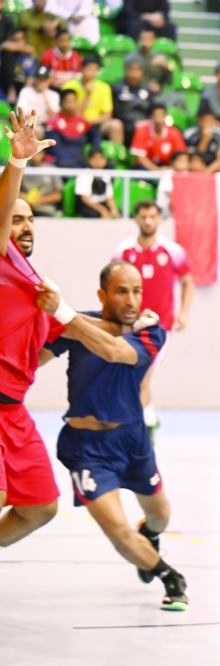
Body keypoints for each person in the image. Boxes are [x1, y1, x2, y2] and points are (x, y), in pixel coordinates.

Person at [37, 261, 187, 610]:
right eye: (122, 291)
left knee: (161, 515)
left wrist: (63, 314)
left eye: (137, 290)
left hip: (132, 441)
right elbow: (33, 358)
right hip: (85, 449)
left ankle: (150, 534)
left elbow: (114, 350)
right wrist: (52, 323)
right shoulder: (74, 325)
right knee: (117, 529)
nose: (132, 299)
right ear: (102, 294)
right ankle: (171, 577)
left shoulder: (150, 331)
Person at [0, 112, 60, 551]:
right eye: (14, 219)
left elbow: (57, 335)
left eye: (29, 219)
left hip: (14, 409)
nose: (23, 226)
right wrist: (17, 165)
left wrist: (126, 323)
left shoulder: (30, 277)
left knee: (40, 506)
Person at [112, 201, 194, 434]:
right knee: (131, 380)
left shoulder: (172, 251)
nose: (148, 221)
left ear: (159, 219)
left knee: (142, 379)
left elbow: (188, 281)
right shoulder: (123, 252)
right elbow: (111, 286)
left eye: (152, 216)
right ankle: (149, 421)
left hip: (160, 328)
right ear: (136, 219)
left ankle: (144, 431)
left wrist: (184, 313)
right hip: (128, 327)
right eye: (143, 216)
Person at [62, 56, 124, 144]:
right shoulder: (69, 86)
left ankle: (116, 155)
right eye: (89, 69)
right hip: (74, 123)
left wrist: (88, 122)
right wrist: (87, 94)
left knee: (116, 124)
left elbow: (107, 116)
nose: (92, 73)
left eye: (95, 70)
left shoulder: (104, 87)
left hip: (96, 123)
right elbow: (72, 114)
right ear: (82, 69)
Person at [45, 88, 100, 168]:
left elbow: (96, 137)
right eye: (67, 102)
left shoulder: (83, 122)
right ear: (61, 103)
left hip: (80, 160)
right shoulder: (53, 123)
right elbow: (55, 149)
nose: (70, 105)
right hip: (60, 160)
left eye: (73, 101)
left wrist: (94, 152)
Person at [130, 104, 186, 171]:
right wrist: (157, 170)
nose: (158, 120)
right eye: (155, 116)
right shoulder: (141, 131)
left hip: (167, 166)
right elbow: (140, 157)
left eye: (161, 116)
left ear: (165, 116)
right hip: (146, 167)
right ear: (151, 117)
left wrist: (171, 168)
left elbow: (180, 155)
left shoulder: (175, 132)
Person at [112, 58, 153, 146]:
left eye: (138, 70)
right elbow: (116, 112)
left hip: (143, 124)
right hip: (125, 125)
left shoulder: (146, 90)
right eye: (132, 69)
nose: (135, 73)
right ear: (126, 70)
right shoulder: (117, 88)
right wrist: (133, 124)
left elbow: (152, 110)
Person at [75, 149, 119, 218]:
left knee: (121, 212)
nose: (98, 161)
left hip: (101, 204)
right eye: (95, 158)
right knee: (93, 214)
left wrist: (114, 209)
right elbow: (84, 198)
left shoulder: (106, 175)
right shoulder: (85, 173)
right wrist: (102, 210)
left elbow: (109, 197)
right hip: (88, 206)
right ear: (89, 160)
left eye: (101, 158)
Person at [20, 149, 63, 216]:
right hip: (24, 207)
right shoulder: (21, 169)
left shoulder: (52, 169)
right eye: (33, 152)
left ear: (43, 153)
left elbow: (58, 195)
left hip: (45, 209)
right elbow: (14, 191)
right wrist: (25, 199)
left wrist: (38, 201)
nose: (36, 155)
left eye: (38, 152)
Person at [155, 150, 188, 219]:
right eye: (180, 161)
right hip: (165, 209)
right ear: (173, 162)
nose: (183, 163)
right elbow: (171, 194)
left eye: (186, 161)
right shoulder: (168, 174)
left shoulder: (187, 175)